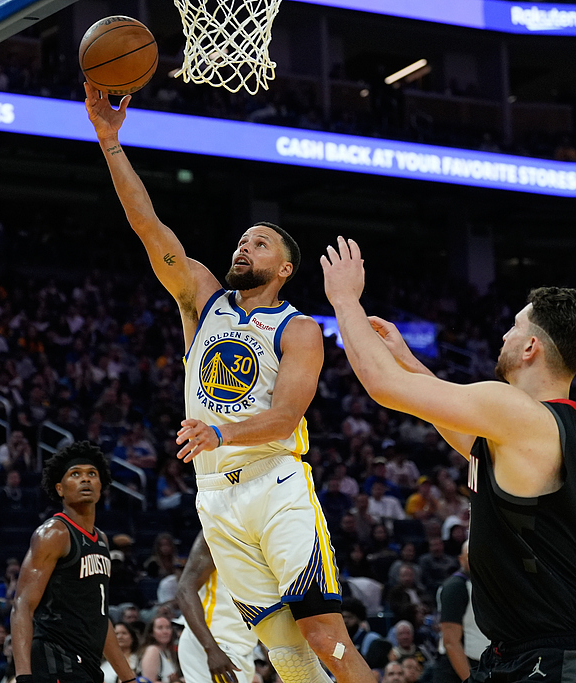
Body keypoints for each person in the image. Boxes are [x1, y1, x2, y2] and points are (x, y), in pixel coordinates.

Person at [85, 85, 373, 683]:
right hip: (214, 495)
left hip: (275, 482)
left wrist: (219, 432)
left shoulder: (299, 329)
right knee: (284, 652)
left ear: (284, 268)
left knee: (322, 634)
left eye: (260, 243)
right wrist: (110, 142)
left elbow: (286, 418)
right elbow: (148, 226)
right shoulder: (201, 299)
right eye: (242, 240)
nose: (244, 246)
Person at [321, 242, 576, 683]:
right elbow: (456, 427)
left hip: (555, 660)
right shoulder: (553, 424)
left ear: (531, 346)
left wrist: (344, 300)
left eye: (514, 327)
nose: (504, 336)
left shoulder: (519, 413)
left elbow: (382, 385)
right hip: (529, 653)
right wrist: (408, 360)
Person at [11, 441, 136, 683]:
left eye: (92, 474)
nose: (85, 479)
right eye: (75, 474)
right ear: (60, 489)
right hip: (54, 658)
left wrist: (129, 678)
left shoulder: (102, 540)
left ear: (101, 486)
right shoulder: (53, 533)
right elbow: (22, 605)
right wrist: (24, 676)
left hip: (87, 663)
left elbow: (99, 618)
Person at [176, 534, 258, 683]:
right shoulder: (216, 530)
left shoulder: (263, 534)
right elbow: (184, 590)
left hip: (243, 646)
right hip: (214, 642)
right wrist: (211, 649)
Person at [434, 542, 486, 683]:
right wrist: (470, 679)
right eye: (470, 556)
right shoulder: (455, 587)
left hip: (480, 666)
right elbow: (451, 642)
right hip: (457, 670)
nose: (474, 559)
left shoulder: (485, 586)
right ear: (461, 559)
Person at [137, 617, 177, 683]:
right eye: (160, 628)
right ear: (151, 633)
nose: (165, 631)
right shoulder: (152, 650)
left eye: (168, 627)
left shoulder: (168, 651)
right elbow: (148, 681)